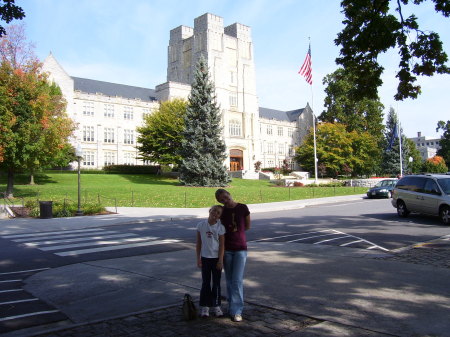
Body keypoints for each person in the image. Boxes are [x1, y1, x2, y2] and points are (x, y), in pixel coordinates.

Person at [215, 188, 251, 322]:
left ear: (229, 194)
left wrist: (238, 234)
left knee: (237, 280)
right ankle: (232, 308)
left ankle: (237, 311)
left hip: (240, 248)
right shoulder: (222, 211)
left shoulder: (242, 207)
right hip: (227, 249)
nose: (225, 201)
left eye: (225, 197)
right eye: (221, 200)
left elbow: (247, 226)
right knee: (230, 280)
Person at [196, 205, 225, 318]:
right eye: (214, 211)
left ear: (219, 216)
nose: (215, 214)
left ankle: (216, 305)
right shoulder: (201, 225)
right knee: (205, 283)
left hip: (216, 259)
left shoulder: (220, 227)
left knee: (216, 283)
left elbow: (222, 245)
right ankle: (205, 306)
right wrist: (198, 258)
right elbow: (198, 243)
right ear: (209, 211)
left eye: (218, 213)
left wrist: (220, 260)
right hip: (205, 258)